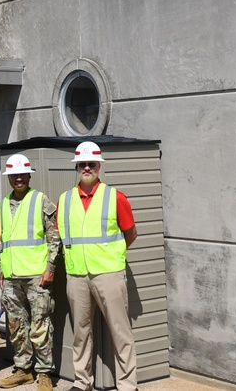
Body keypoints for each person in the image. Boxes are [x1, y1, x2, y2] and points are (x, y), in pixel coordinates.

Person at [58, 141, 139, 391]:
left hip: (108, 273)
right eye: (82, 164)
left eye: (91, 163)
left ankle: (127, 385)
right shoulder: (65, 199)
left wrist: (109, 255)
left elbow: (131, 233)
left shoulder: (115, 197)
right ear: (76, 167)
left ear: (99, 165)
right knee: (81, 332)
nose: (86, 167)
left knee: (120, 331)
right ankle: (83, 382)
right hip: (77, 274)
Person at [0, 154, 60, 391]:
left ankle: (44, 373)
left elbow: (54, 237)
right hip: (12, 277)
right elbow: (4, 240)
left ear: (29, 175)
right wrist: (4, 269)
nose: (19, 178)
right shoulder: (2, 204)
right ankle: (23, 369)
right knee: (16, 326)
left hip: (36, 276)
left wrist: (50, 268)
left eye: (22, 174)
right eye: (14, 175)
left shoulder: (40, 200)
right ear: (9, 178)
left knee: (40, 325)